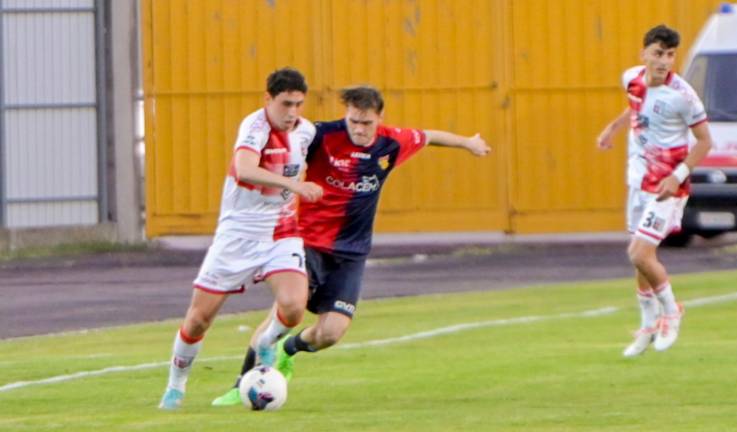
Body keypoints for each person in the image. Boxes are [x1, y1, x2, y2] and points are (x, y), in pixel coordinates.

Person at [211, 85, 491, 405]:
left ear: (379, 118)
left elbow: (429, 136)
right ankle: (242, 383)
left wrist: (468, 143)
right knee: (287, 312)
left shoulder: (391, 143)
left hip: (352, 254)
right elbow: (280, 141)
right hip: (309, 244)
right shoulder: (321, 135)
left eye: (366, 123)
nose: (358, 129)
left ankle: (288, 352)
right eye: (353, 121)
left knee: (330, 333)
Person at [158, 67, 324, 410]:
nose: (292, 113)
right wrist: (296, 186)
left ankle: (265, 342)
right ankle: (176, 386)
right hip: (237, 234)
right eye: (285, 104)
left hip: (281, 229)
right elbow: (245, 168)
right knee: (199, 318)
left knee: (294, 307)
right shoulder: (255, 127)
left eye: (298, 104)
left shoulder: (305, 131)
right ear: (268, 99)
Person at [597, 25, 712, 357]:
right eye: (658, 54)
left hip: (667, 186)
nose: (664, 62)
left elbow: (705, 142)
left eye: (670, 55)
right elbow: (635, 108)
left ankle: (671, 312)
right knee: (640, 260)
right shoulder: (631, 78)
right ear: (644, 54)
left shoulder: (683, 96)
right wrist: (613, 128)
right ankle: (647, 326)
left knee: (639, 253)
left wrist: (677, 177)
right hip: (637, 180)